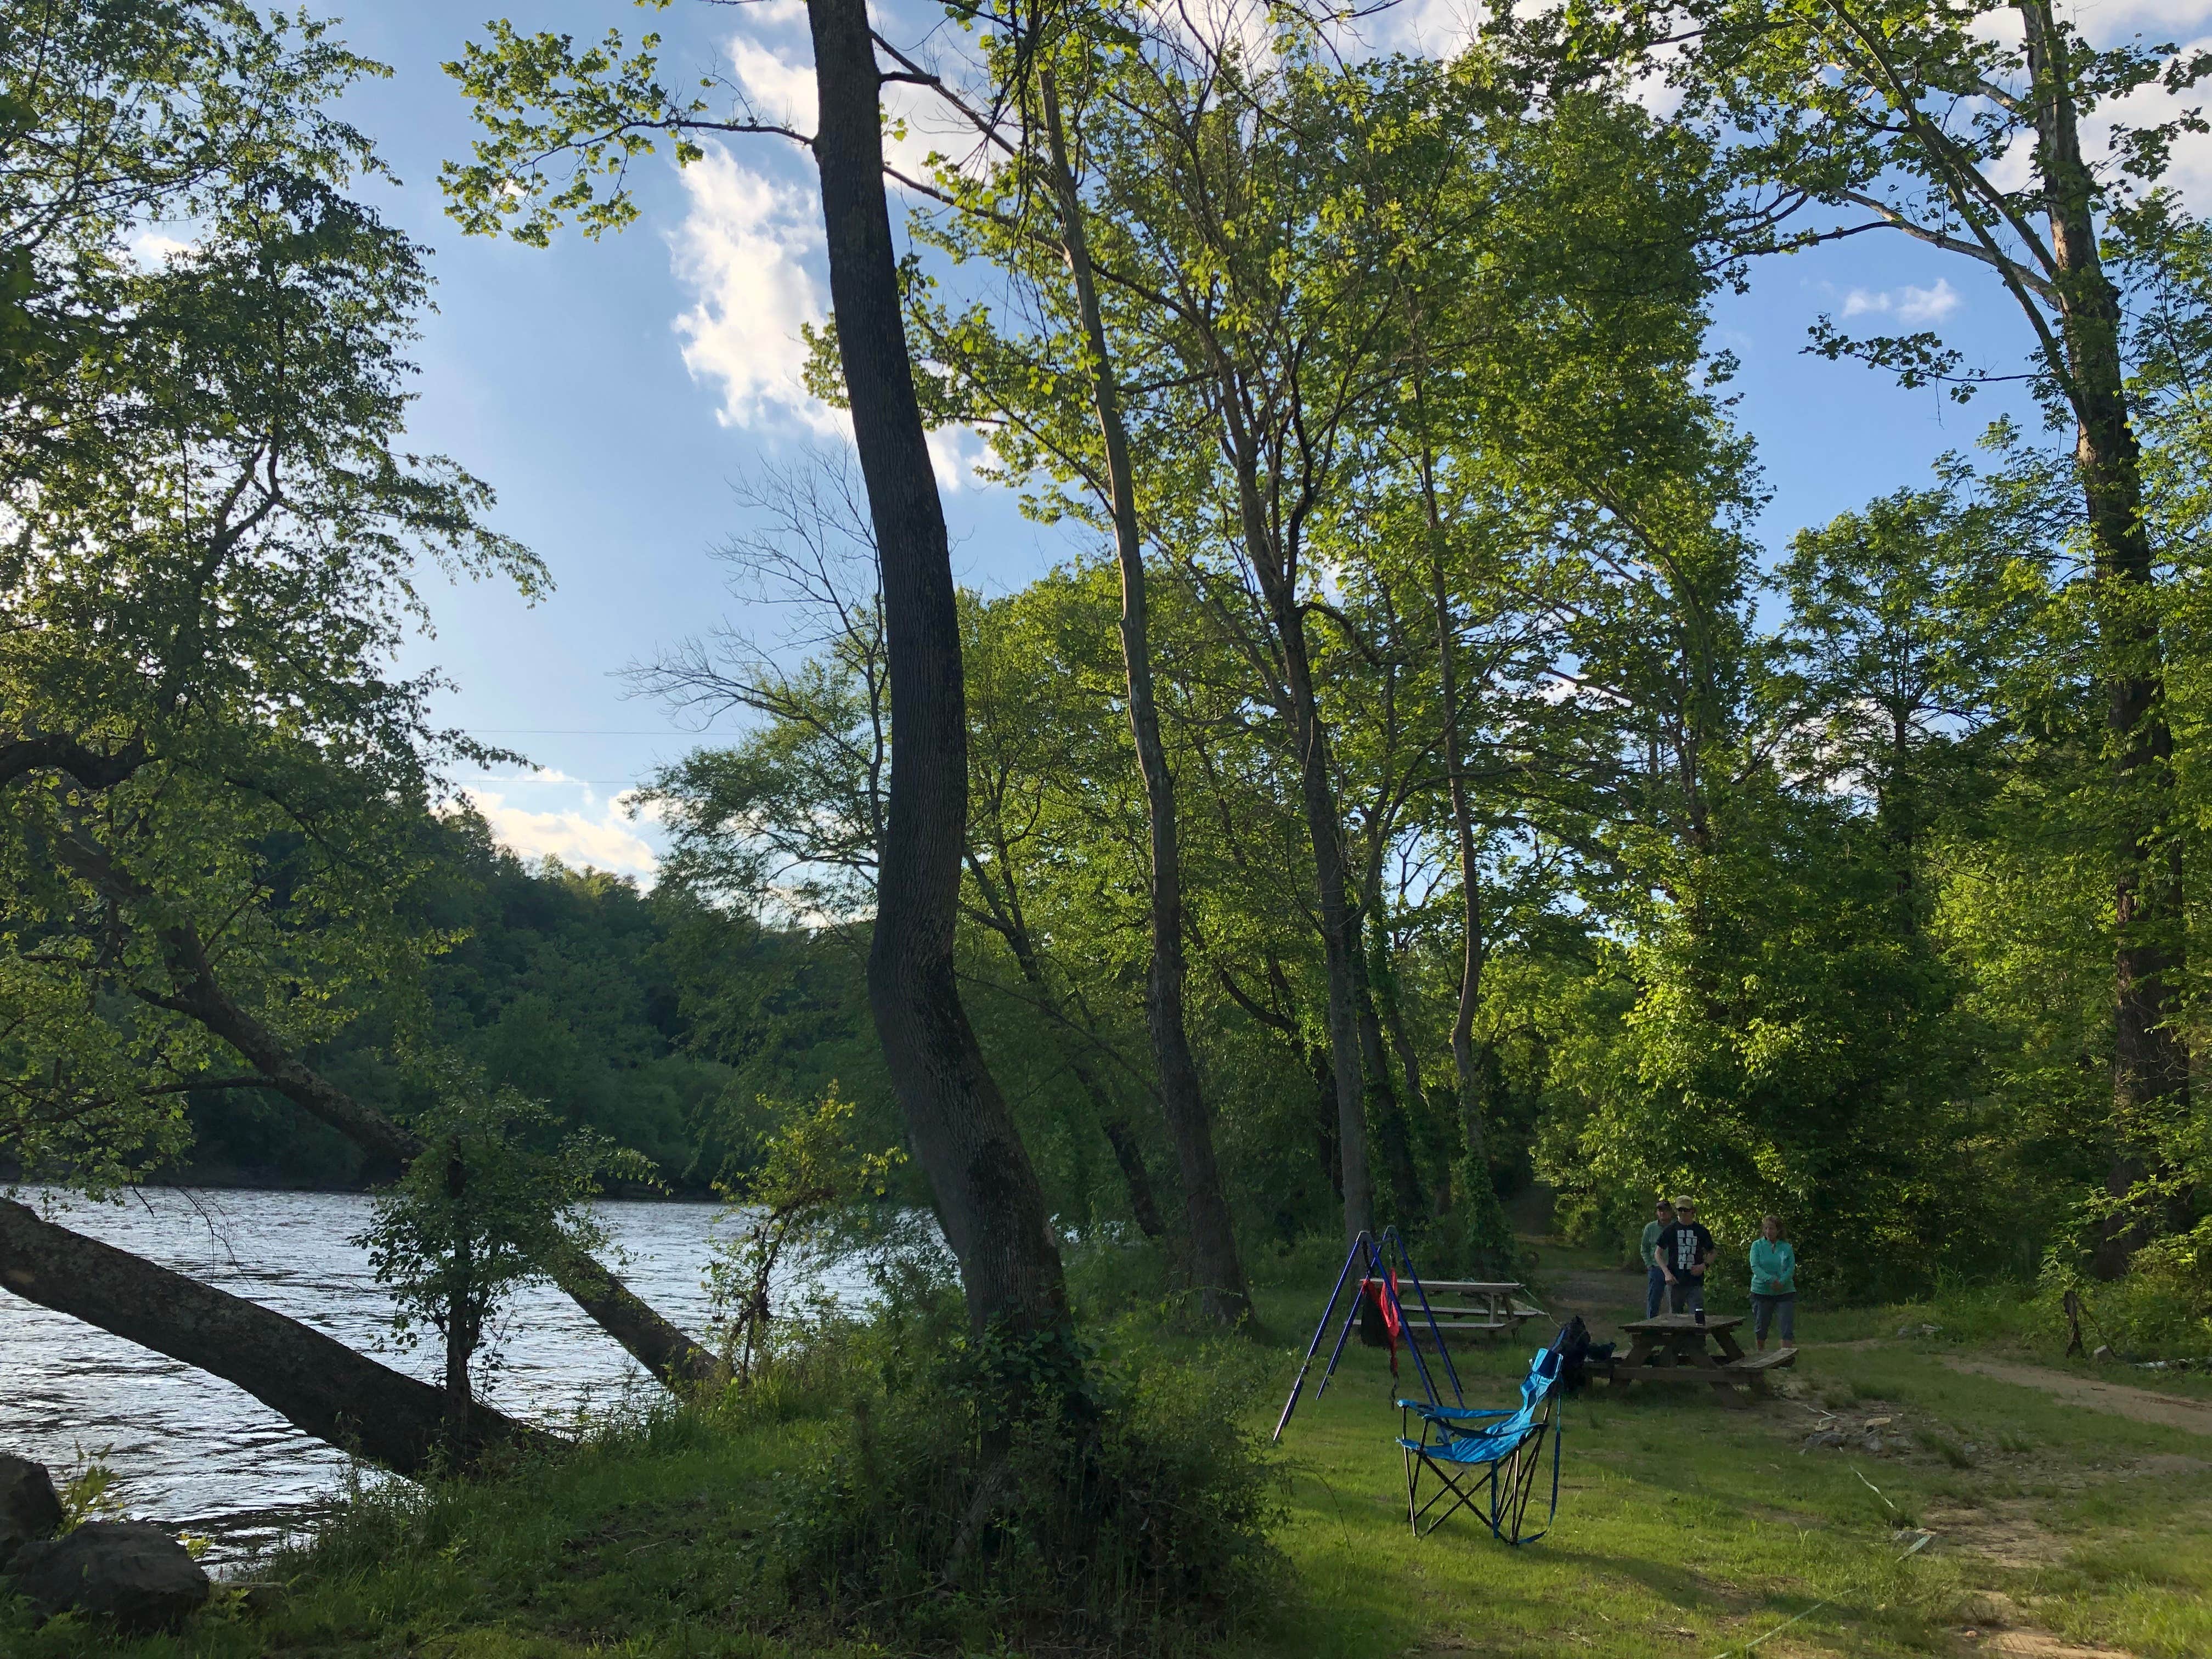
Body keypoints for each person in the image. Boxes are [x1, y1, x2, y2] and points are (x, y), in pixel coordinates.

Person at [1749, 1214, 1797, 1351]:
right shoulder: (1757, 1246)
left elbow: (1790, 1268)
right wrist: (1770, 1280)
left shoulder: (1786, 1247)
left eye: (1771, 1228)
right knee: (1761, 1326)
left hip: (1785, 1291)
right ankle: (1761, 1354)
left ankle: (1786, 1355)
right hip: (1762, 1291)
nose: (1768, 1232)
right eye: (1766, 1228)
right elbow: (1755, 1266)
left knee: (1786, 1325)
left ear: (1778, 1230)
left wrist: (1781, 1282)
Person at [1661, 1196, 1713, 1316]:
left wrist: (1704, 1266)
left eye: (1686, 1210)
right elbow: (1658, 1254)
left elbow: (1712, 1252)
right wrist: (1667, 1273)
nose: (1683, 1213)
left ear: (1692, 1211)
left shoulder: (1701, 1231)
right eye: (1680, 1210)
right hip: (1675, 1281)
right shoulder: (1671, 1230)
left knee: (1697, 1315)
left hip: (1695, 1282)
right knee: (1675, 1316)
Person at [1640, 1199, 1675, 1319]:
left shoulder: (1676, 1227)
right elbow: (1644, 1248)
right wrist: (1649, 1265)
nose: (1662, 1213)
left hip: (1673, 1269)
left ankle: (1674, 1325)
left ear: (1670, 1212)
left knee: (1674, 1302)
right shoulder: (1650, 1228)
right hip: (1656, 1269)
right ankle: (1650, 1325)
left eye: (1665, 1210)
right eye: (1660, 1210)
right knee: (1653, 1302)